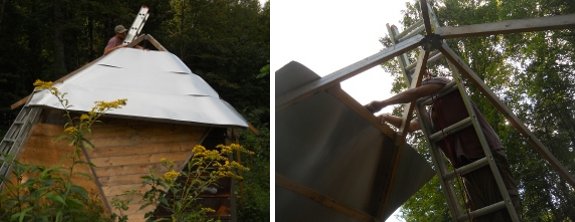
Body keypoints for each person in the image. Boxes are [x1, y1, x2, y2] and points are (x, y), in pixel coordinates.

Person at [365, 71, 520, 221]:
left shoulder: (446, 85)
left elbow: (414, 93)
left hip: (486, 154)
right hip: (468, 167)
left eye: (424, 81)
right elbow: (411, 126)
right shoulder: (433, 113)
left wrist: (382, 103)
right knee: (481, 215)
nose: (423, 84)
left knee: (505, 208)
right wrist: (387, 117)